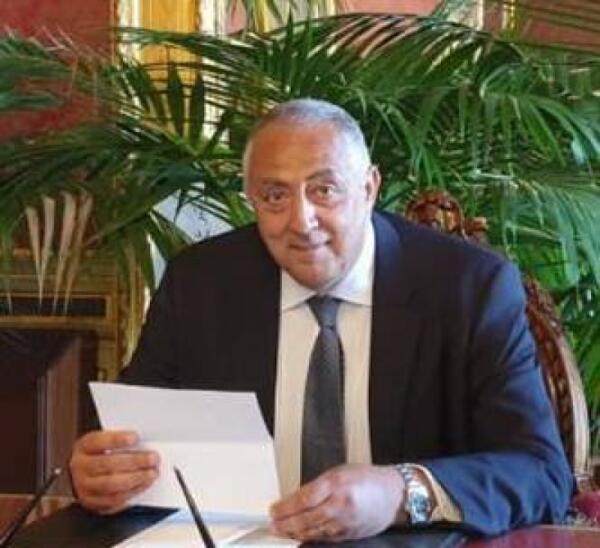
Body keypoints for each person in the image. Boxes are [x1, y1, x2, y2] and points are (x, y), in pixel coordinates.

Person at [69, 98, 572, 542]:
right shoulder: (201, 282)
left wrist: (400, 492)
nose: (301, 221)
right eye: (275, 196)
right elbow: (129, 434)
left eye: (324, 190)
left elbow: (542, 472)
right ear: (251, 200)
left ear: (369, 188)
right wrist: (98, 473)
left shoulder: (467, 287)